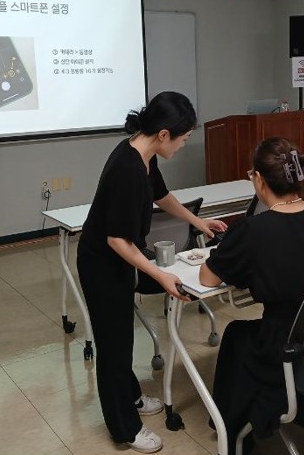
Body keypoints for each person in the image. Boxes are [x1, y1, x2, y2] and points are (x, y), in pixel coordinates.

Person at [78, 91, 227, 453]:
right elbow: (117, 239)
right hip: (102, 263)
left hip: (118, 259)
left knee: (122, 339)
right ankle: (125, 429)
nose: (183, 145)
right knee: (112, 346)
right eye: (183, 138)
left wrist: (198, 222)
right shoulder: (128, 169)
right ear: (163, 134)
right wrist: (159, 276)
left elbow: (162, 195)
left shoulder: (143, 154)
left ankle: (130, 396)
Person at [199, 138, 304, 453]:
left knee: (237, 336)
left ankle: (234, 433)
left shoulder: (254, 230)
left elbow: (207, 277)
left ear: (258, 179)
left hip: (285, 345)